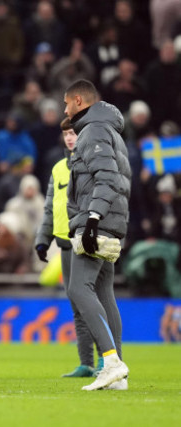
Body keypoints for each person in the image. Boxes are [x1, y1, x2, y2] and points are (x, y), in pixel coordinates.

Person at [63, 79, 131, 391]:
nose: (65, 110)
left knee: (78, 289)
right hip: (111, 218)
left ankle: (112, 361)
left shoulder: (94, 131)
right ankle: (117, 374)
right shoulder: (110, 128)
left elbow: (107, 177)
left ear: (78, 100)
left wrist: (91, 218)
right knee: (104, 292)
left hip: (99, 220)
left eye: (67, 104)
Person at [35, 117, 101, 378]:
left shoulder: (93, 166)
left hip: (85, 242)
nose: (70, 138)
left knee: (92, 303)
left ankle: (107, 360)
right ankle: (86, 363)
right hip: (64, 243)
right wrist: (43, 237)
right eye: (66, 134)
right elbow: (51, 205)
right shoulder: (58, 168)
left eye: (74, 133)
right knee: (77, 306)